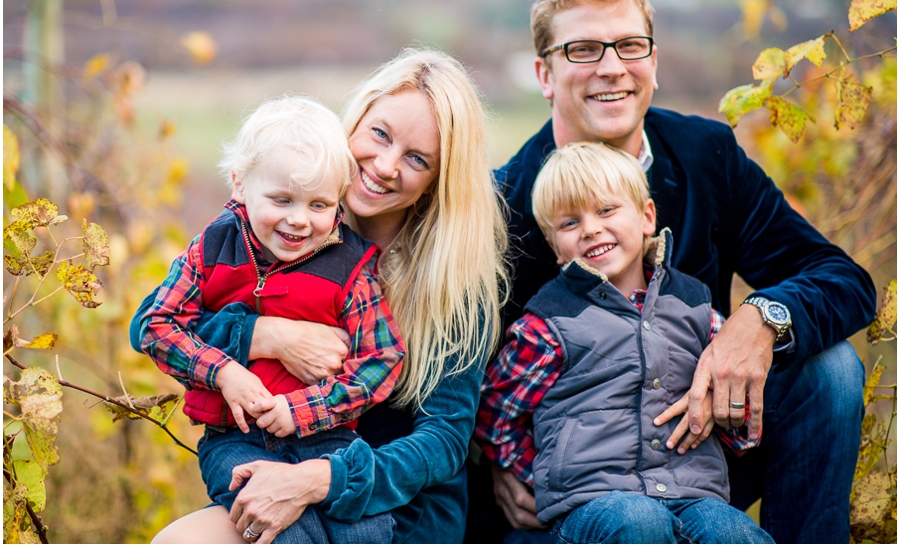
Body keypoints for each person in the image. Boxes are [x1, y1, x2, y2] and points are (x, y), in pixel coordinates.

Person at [469, 0, 876, 544]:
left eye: (630, 46)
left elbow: (844, 280)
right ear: (545, 73)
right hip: (577, 490)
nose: (612, 67)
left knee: (830, 369)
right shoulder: (503, 206)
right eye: (583, 49)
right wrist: (498, 466)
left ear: (653, 63)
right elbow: (470, 378)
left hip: (698, 459)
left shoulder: (704, 154)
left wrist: (761, 320)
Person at [131, 47, 509, 543]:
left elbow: (441, 442)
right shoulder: (281, 231)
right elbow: (156, 324)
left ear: (439, 180)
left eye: (417, 158)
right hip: (267, 464)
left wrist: (316, 481)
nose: (387, 164)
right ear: (355, 122)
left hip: (389, 505)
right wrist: (267, 335)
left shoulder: (455, 284)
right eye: (380, 134)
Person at [474, 141, 773, 544]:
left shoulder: (696, 307)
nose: (591, 229)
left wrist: (733, 420)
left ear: (647, 216)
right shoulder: (547, 325)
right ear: (554, 248)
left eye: (606, 210)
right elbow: (495, 413)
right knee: (638, 522)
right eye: (569, 223)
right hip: (593, 502)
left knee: (732, 532)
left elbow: (737, 410)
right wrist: (541, 475)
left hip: (692, 493)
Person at [139, 95, 405, 543]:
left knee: (368, 531)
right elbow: (156, 326)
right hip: (235, 440)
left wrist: (300, 410)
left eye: (319, 205)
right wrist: (223, 371)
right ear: (240, 184)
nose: (299, 221)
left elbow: (382, 361)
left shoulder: (351, 269)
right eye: (282, 200)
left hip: (329, 441)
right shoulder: (211, 251)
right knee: (281, 528)